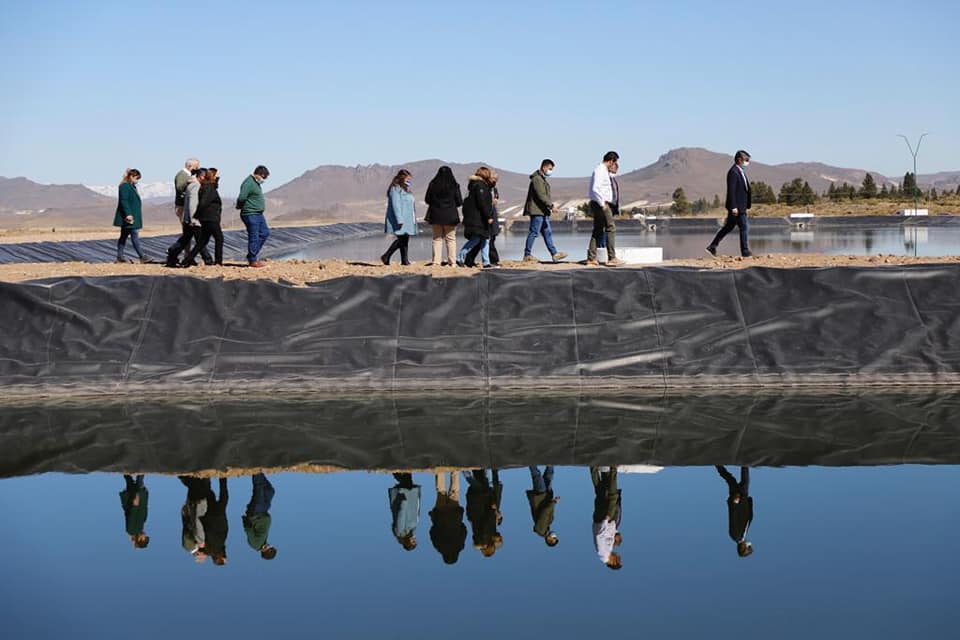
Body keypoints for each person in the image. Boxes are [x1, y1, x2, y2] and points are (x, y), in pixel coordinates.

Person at [707, 150, 753, 258]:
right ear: (739, 160)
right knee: (744, 227)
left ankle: (712, 246)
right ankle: (745, 251)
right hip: (737, 207)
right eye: (746, 160)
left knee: (728, 227)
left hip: (741, 206)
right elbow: (731, 191)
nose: (747, 162)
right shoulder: (733, 172)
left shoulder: (740, 171)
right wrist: (733, 207)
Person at [522, 159, 567, 263]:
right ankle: (527, 255)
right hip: (537, 211)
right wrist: (551, 206)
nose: (551, 171)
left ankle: (554, 254)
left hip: (543, 211)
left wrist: (548, 207)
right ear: (544, 167)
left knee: (547, 232)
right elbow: (541, 195)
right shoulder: (537, 179)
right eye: (550, 169)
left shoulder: (542, 179)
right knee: (534, 232)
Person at [166, 168, 212, 267]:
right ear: (201, 177)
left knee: (185, 239)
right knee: (200, 240)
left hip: (188, 218)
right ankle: (207, 259)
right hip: (193, 219)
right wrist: (193, 218)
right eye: (206, 177)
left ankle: (172, 254)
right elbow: (193, 203)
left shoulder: (191, 185)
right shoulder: (196, 186)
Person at [586, 152, 624, 266]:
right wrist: (602, 203)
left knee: (598, 230)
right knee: (610, 227)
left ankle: (591, 258)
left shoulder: (602, 170)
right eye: (615, 162)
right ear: (611, 161)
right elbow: (595, 188)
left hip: (599, 203)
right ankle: (612, 257)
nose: (615, 164)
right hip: (601, 204)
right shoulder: (600, 170)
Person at [183, 168, 224, 266]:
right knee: (219, 238)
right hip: (210, 217)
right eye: (216, 175)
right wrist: (196, 215)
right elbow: (203, 203)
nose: (218, 177)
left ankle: (188, 260)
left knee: (202, 241)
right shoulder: (209, 188)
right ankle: (218, 261)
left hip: (207, 217)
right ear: (212, 176)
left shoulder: (207, 186)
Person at [457, 167, 496, 269]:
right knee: (477, 239)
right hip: (478, 218)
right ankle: (460, 257)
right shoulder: (480, 186)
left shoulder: (473, 186)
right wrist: (488, 216)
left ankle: (486, 262)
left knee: (485, 239)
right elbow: (482, 203)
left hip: (477, 217)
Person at [424, 166, 462, 266]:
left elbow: (427, 199)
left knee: (437, 238)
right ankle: (452, 262)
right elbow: (459, 201)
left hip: (435, 215)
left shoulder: (432, 184)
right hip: (450, 216)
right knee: (451, 239)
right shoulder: (454, 185)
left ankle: (436, 261)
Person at [114, 168, 152, 263]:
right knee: (134, 234)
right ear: (131, 177)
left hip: (132, 215)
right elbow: (124, 200)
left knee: (123, 236)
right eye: (136, 178)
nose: (137, 181)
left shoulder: (131, 186)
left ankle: (120, 257)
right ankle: (142, 256)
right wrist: (128, 214)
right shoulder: (124, 186)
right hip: (129, 216)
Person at [465, 171, 503, 266]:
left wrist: (495, 201)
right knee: (484, 239)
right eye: (493, 179)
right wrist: (488, 215)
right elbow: (482, 203)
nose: (494, 182)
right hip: (484, 216)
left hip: (491, 214)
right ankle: (491, 260)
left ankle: (481, 260)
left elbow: (495, 198)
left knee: (487, 239)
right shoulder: (482, 187)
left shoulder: (493, 188)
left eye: (496, 180)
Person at [716, 465, 754, 557]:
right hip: (743, 499)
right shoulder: (741, 535)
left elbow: (733, 518)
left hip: (738, 500)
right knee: (732, 480)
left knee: (737, 480)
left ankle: (717, 464)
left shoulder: (735, 536)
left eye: (748, 547)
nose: (749, 544)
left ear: (743, 547)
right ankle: (718, 464)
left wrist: (735, 503)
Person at [236, 165, 271, 267]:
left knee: (265, 233)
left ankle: (252, 254)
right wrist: (240, 206)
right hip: (250, 214)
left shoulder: (255, 183)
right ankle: (253, 260)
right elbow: (242, 197)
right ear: (260, 174)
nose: (264, 180)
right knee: (254, 236)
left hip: (258, 214)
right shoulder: (248, 183)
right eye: (264, 177)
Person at [429, 472, 466, 565]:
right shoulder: (439, 547)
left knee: (454, 491)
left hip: (455, 515)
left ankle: (455, 471)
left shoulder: (459, 546)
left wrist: (459, 522)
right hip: (440, 515)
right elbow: (432, 532)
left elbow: (464, 531)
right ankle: (440, 470)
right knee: (441, 491)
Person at [381, 169, 417, 265]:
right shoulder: (395, 189)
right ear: (402, 178)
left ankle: (404, 260)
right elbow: (395, 205)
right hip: (400, 219)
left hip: (408, 219)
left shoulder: (405, 189)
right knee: (401, 239)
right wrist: (399, 219)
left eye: (410, 179)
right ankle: (386, 256)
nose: (409, 181)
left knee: (405, 239)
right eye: (407, 179)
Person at [464, 469, 502, 557]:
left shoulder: (487, 535)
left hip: (482, 501)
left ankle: (464, 467)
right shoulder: (477, 535)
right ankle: (465, 468)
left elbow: (488, 520)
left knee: (481, 481)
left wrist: (494, 511)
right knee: (477, 480)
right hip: (476, 502)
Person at [591, 466, 622, 570]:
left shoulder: (603, 554)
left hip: (603, 519)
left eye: (618, 559)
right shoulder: (608, 551)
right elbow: (609, 533)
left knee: (613, 496)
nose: (618, 556)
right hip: (604, 520)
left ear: (614, 562)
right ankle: (593, 467)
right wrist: (616, 534)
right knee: (601, 494)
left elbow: (599, 536)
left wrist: (605, 520)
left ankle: (613, 468)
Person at [242, 473, 278, 560]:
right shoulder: (263, 542)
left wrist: (249, 518)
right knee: (270, 491)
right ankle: (260, 473)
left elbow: (249, 531)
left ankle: (256, 471)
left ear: (266, 551)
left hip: (256, 513)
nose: (270, 545)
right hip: (263, 511)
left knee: (259, 489)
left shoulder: (255, 544)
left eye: (270, 548)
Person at [179, 476, 210, 563]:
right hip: (191, 512)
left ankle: (183, 476)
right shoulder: (194, 546)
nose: (205, 553)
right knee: (196, 488)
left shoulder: (189, 547)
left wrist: (197, 543)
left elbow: (187, 533)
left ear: (198, 555)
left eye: (203, 555)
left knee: (195, 488)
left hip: (191, 513)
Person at [526, 466, 559, 547]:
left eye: (554, 538)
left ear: (549, 539)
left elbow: (544, 513)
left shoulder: (540, 530)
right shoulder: (549, 522)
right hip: (547, 495)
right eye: (555, 537)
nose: (554, 536)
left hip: (540, 496)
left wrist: (554, 502)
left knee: (537, 475)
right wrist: (552, 501)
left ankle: (529, 460)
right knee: (549, 474)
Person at [200, 478, 229, 566]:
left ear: (219, 558)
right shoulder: (213, 550)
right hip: (212, 517)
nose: (226, 556)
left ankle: (222, 477)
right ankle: (206, 478)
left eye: (224, 558)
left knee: (223, 497)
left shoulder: (213, 549)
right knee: (210, 496)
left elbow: (209, 533)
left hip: (216, 518)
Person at [389, 472, 421, 551]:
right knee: (407, 480)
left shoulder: (401, 533)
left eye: (413, 542)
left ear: (407, 543)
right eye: (415, 541)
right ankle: (398, 469)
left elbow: (401, 516)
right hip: (410, 498)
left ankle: (394, 470)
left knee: (406, 481)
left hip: (405, 499)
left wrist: (404, 503)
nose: (414, 539)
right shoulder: (411, 530)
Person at [119, 474, 150, 549]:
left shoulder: (131, 531)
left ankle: (128, 470)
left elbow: (131, 517)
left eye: (144, 538)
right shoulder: (141, 527)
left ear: (139, 539)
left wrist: (135, 505)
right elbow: (145, 510)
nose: (145, 535)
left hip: (134, 501)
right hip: (140, 499)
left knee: (132, 480)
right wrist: (146, 495)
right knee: (133, 481)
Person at [174, 157, 200, 222]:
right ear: (190, 166)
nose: (197, 169)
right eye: (196, 167)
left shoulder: (188, 175)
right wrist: (188, 181)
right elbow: (179, 187)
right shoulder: (182, 175)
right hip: (182, 206)